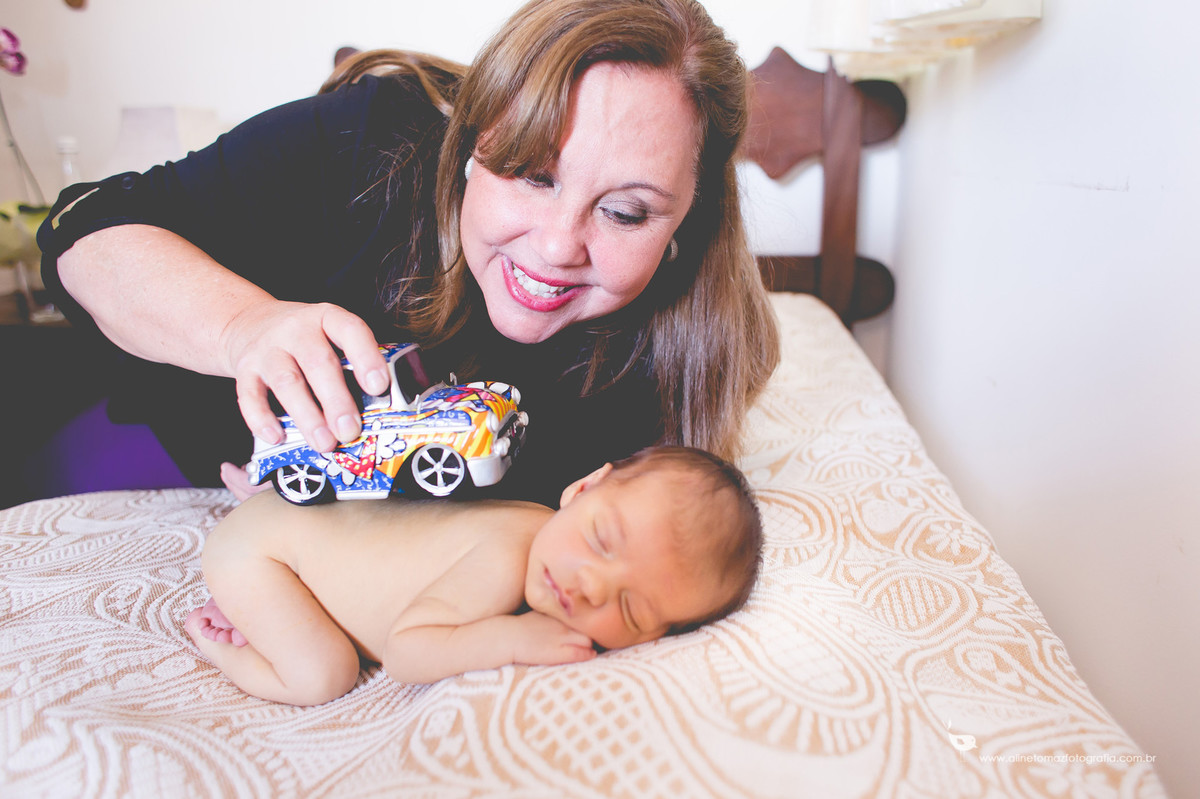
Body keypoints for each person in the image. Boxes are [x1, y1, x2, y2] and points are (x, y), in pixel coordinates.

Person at [37, 0, 779, 508]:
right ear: (472, 144)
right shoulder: (368, 143)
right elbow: (81, 233)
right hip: (163, 459)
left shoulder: (677, 374)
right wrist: (243, 329)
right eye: (530, 173)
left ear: (688, 220)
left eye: (624, 212)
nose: (557, 248)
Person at [184, 446, 763, 706]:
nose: (590, 585)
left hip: (298, 541)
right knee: (323, 675)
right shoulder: (509, 553)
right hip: (265, 553)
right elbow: (407, 652)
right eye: (599, 539)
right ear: (582, 489)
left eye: (631, 610)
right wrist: (510, 639)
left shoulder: (543, 544)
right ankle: (218, 638)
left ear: (651, 640)